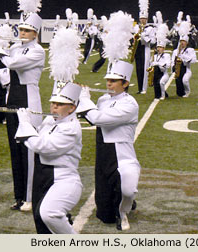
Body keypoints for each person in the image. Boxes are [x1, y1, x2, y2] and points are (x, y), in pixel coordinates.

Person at [0, 2, 45, 212]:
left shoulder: (37, 51)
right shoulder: (17, 48)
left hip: (28, 100)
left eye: (28, 30)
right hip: (13, 98)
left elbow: (13, 64)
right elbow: (3, 66)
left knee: (28, 150)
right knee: (14, 148)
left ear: (35, 33)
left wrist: (0, 50)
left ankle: (30, 197)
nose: (23, 33)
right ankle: (19, 196)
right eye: (22, 29)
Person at [77, 60, 141, 231]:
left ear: (125, 83)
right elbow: (92, 118)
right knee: (105, 215)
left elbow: (99, 119)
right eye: (108, 80)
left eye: (113, 81)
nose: (108, 84)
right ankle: (119, 204)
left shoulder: (130, 104)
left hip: (121, 151)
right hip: (103, 149)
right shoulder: (103, 99)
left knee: (127, 190)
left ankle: (123, 212)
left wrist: (84, 100)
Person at [15, 82, 82, 234]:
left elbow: (43, 146)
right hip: (43, 175)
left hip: (63, 178)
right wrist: (30, 120)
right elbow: (37, 134)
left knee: (49, 214)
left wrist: (25, 123)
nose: (54, 107)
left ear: (72, 108)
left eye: (60, 104)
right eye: (53, 103)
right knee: (40, 219)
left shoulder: (71, 128)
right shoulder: (51, 120)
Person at [134, 0, 156, 94]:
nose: (142, 20)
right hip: (137, 50)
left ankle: (144, 88)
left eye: (144, 19)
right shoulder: (136, 27)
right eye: (141, 18)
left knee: (144, 69)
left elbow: (153, 40)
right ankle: (139, 88)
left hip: (145, 49)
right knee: (138, 69)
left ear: (147, 19)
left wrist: (143, 37)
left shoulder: (150, 28)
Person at [171, 22, 197, 98]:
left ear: (187, 43)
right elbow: (172, 60)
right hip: (178, 70)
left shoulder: (190, 50)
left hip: (187, 69)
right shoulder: (176, 51)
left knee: (185, 80)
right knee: (178, 89)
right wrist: (173, 67)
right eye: (181, 42)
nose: (182, 43)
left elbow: (194, 60)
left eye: (184, 42)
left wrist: (184, 57)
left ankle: (187, 91)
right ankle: (181, 92)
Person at [150, 23, 171, 100]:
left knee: (161, 82)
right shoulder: (155, 56)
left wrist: (158, 64)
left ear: (163, 48)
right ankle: (158, 95)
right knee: (156, 83)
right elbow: (151, 64)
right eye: (158, 47)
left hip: (164, 73)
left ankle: (163, 95)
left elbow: (168, 65)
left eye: (160, 47)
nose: (159, 49)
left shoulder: (167, 55)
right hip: (156, 73)